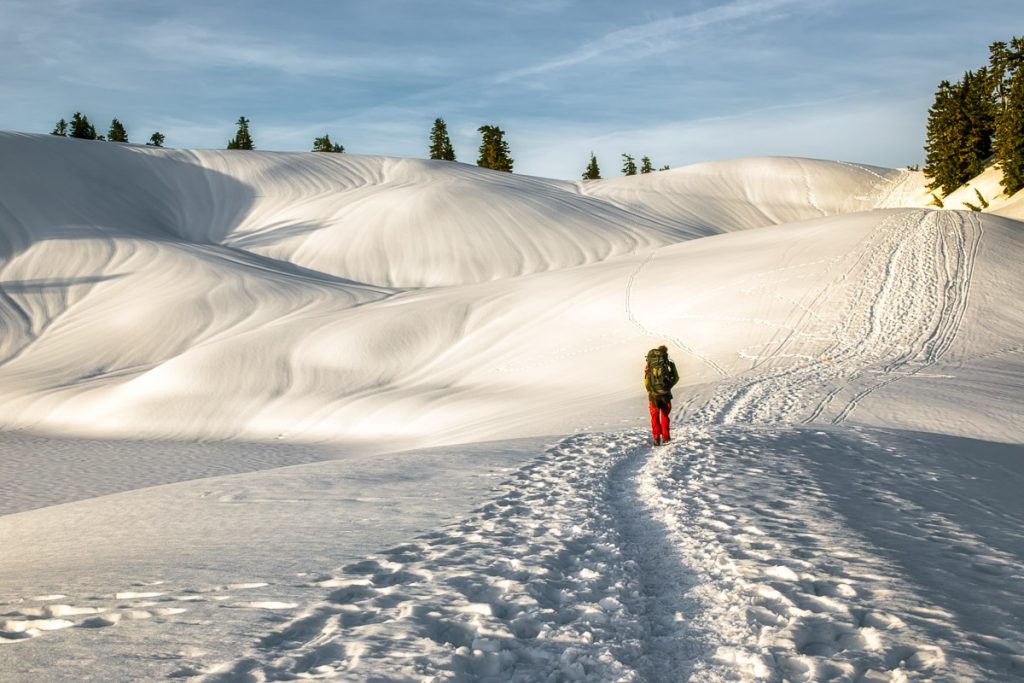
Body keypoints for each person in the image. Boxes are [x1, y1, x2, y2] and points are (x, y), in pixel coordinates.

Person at [644, 345, 679, 446]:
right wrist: (668, 386)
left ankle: (656, 439)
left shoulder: (649, 364)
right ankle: (666, 438)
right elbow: (676, 377)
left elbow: (646, 380)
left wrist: (650, 390)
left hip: (653, 395)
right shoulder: (668, 363)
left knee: (654, 416)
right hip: (665, 394)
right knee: (664, 416)